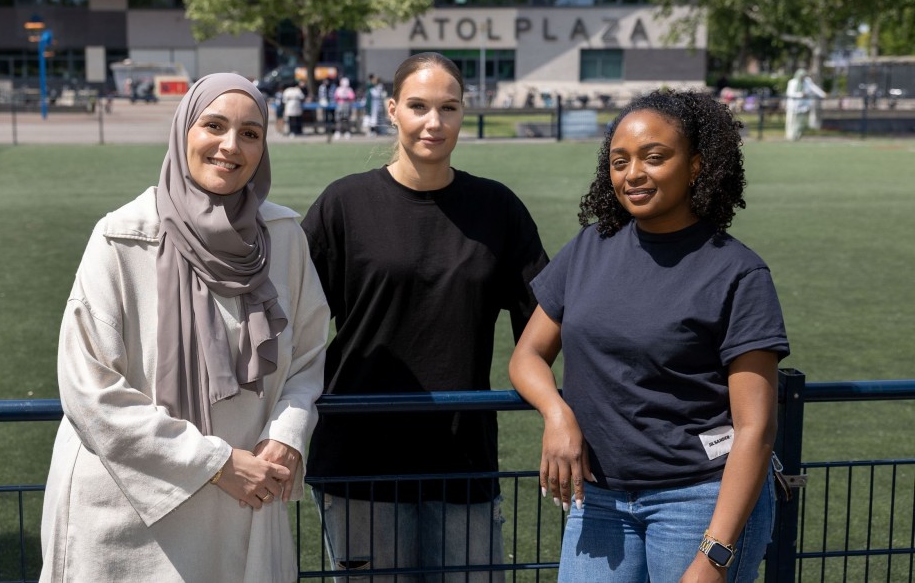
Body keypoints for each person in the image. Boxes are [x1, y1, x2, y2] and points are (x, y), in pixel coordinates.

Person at [39, 73, 329, 583]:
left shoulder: (283, 237)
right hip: (128, 516)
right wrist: (214, 464)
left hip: (246, 503)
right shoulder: (122, 237)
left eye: (250, 133)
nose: (230, 145)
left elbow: (307, 355)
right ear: (182, 131)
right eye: (213, 126)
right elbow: (90, 391)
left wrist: (288, 434)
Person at [508, 89, 789, 582]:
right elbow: (527, 355)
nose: (632, 174)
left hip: (699, 500)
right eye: (620, 161)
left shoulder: (739, 273)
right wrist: (557, 414)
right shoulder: (588, 247)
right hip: (598, 499)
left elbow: (755, 429)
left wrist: (715, 554)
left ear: (696, 165)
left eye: (654, 158)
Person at [302, 52, 549, 581]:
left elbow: (544, 316)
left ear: (463, 113)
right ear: (392, 109)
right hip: (358, 460)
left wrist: (553, 399)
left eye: (448, 108)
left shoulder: (496, 208)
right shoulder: (344, 204)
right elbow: (292, 320)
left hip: (463, 457)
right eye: (418, 106)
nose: (434, 122)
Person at [785, 68, 826, 141]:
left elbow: (814, 88)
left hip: (802, 106)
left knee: (800, 123)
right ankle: (790, 136)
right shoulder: (792, 82)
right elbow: (790, 94)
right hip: (793, 106)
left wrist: (823, 94)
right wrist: (800, 94)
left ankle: (797, 135)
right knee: (791, 122)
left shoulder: (807, 81)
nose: (803, 77)